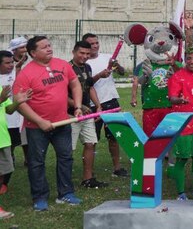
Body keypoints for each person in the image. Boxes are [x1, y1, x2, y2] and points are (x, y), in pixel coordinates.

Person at [13, 36, 83, 210]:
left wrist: (78, 106)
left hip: (62, 123)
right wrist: (40, 121)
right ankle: (39, 197)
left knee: (66, 158)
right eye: (44, 47)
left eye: (49, 45)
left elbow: (75, 84)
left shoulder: (62, 65)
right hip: (36, 127)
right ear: (33, 53)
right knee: (36, 162)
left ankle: (66, 194)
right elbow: (19, 103)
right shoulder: (26, 74)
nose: (49, 49)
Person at [82, 33, 128, 178]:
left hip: (111, 102)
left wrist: (117, 65)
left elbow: (122, 72)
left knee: (114, 137)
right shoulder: (83, 63)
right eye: (91, 44)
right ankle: (90, 171)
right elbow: (85, 84)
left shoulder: (106, 57)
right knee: (92, 140)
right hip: (92, 105)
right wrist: (99, 76)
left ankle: (117, 168)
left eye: (96, 43)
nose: (95, 46)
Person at [167, 46, 193, 199]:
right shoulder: (178, 77)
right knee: (183, 159)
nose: (192, 61)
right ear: (185, 59)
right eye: (189, 58)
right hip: (184, 124)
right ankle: (181, 193)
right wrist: (179, 100)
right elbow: (171, 97)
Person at [68, 40, 107, 189]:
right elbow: (62, 96)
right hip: (70, 116)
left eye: (87, 54)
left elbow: (89, 87)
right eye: (81, 53)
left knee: (91, 143)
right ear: (74, 52)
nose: (85, 56)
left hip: (87, 115)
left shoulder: (87, 67)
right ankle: (66, 181)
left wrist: (97, 106)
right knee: (68, 149)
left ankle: (88, 179)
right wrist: (79, 106)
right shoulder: (67, 68)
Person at [0, 50, 26, 186]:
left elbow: (9, 110)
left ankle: (3, 186)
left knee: (7, 164)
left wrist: (19, 101)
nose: (11, 65)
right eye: (7, 63)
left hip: (5, 133)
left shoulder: (7, 82)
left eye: (12, 62)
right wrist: (1, 99)